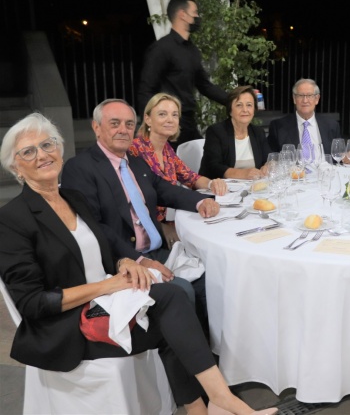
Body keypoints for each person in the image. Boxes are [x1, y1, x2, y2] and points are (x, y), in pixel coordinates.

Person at [0, 113, 277, 415]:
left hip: (108, 303)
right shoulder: (12, 219)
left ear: (59, 148)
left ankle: (208, 405)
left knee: (174, 306)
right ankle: (221, 402)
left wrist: (123, 262)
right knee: (172, 303)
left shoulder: (72, 198)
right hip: (68, 327)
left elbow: (100, 247)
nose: (42, 155)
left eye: (47, 145)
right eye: (29, 151)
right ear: (16, 167)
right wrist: (108, 285)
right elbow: (32, 303)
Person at [61, 99, 217, 329]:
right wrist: (140, 260)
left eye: (129, 124)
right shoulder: (80, 168)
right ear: (96, 127)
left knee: (212, 282)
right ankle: (183, 348)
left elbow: (164, 189)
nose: (123, 130)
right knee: (181, 290)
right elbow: (93, 226)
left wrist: (201, 201)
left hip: (156, 251)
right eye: (115, 123)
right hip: (123, 260)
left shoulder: (135, 162)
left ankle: (208, 344)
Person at [129, 93, 228, 246]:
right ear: (148, 119)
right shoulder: (134, 149)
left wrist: (212, 184)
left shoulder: (167, 149)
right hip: (145, 228)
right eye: (162, 114)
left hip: (167, 221)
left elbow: (190, 176)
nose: (170, 119)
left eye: (174, 115)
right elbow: (131, 200)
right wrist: (162, 228)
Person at [137, 0, 229, 147]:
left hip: (188, 121)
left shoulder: (192, 50)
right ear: (183, 15)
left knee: (200, 155)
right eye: (195, 12)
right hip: (168, 123)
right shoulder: (161, 49)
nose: (198, 17)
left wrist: (234, 100)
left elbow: (205, 85)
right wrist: (147, 126)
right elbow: (146, 89)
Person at [200, 86, 272, 180]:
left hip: (252, 186)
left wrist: (268, 166)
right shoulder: (216, 131)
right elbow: (213, 166)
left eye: (249, 105)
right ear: (230, 111)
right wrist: (243, 174)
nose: (245, 110)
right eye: (239, 105)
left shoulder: (258, 132)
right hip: (221, 186)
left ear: (254, 110)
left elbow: (269, 158)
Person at [267, 78, 341, 154]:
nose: (305, 100)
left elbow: (338, 155)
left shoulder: (331, 126)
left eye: (309, 95)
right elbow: (272, 157)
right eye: (300, 96)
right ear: (294, 99)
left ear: (317, 99)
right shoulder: (278, 127)